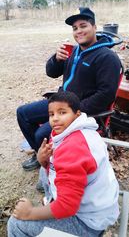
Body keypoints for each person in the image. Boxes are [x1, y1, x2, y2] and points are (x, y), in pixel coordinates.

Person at [17, 7, 122, 170]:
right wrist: (56, 59)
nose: (78, 31)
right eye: (75, 28)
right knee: (23, 113)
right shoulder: (74, 51)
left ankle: (53, 162)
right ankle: (42, 154)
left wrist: (74, 110)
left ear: (94, 27)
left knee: (41, 134)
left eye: (83, 25)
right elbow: (51, 73)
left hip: (81, 110)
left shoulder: (107, 57)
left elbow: (105, 96)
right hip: (60, 102)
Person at [8, 91, 119, 237]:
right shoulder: (81, 130)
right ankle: (50, 202)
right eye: (51, 114)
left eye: (62, 112)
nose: (55, 119)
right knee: (44, 169)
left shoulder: (72, 149)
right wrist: (43, 161)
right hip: (101, 205)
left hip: (88, 223)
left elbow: (67, 207)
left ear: (77, 114)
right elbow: (64, 169)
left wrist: (30, 213)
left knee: (16, 223)